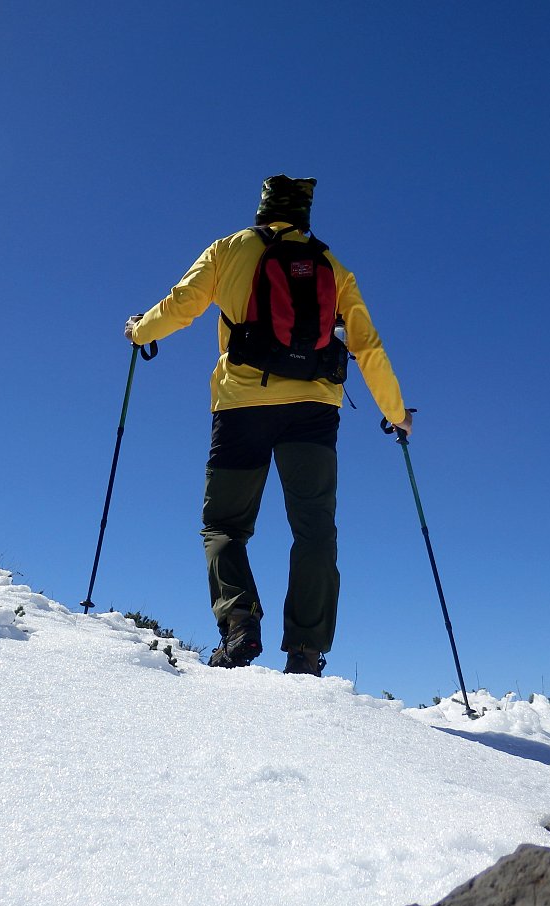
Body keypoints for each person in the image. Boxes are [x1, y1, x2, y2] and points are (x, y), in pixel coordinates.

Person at [124, 175, 412, 676]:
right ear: (305, 215)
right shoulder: (332, 266)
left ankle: (240, 621)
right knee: (314, 530)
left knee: (224, 525)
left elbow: (183, 303)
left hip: (241, 406)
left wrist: (139, 331)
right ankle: (305, 651)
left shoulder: (228, 249)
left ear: (263, 208)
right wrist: (396, 414)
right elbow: (367, 346)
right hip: (314, 411)